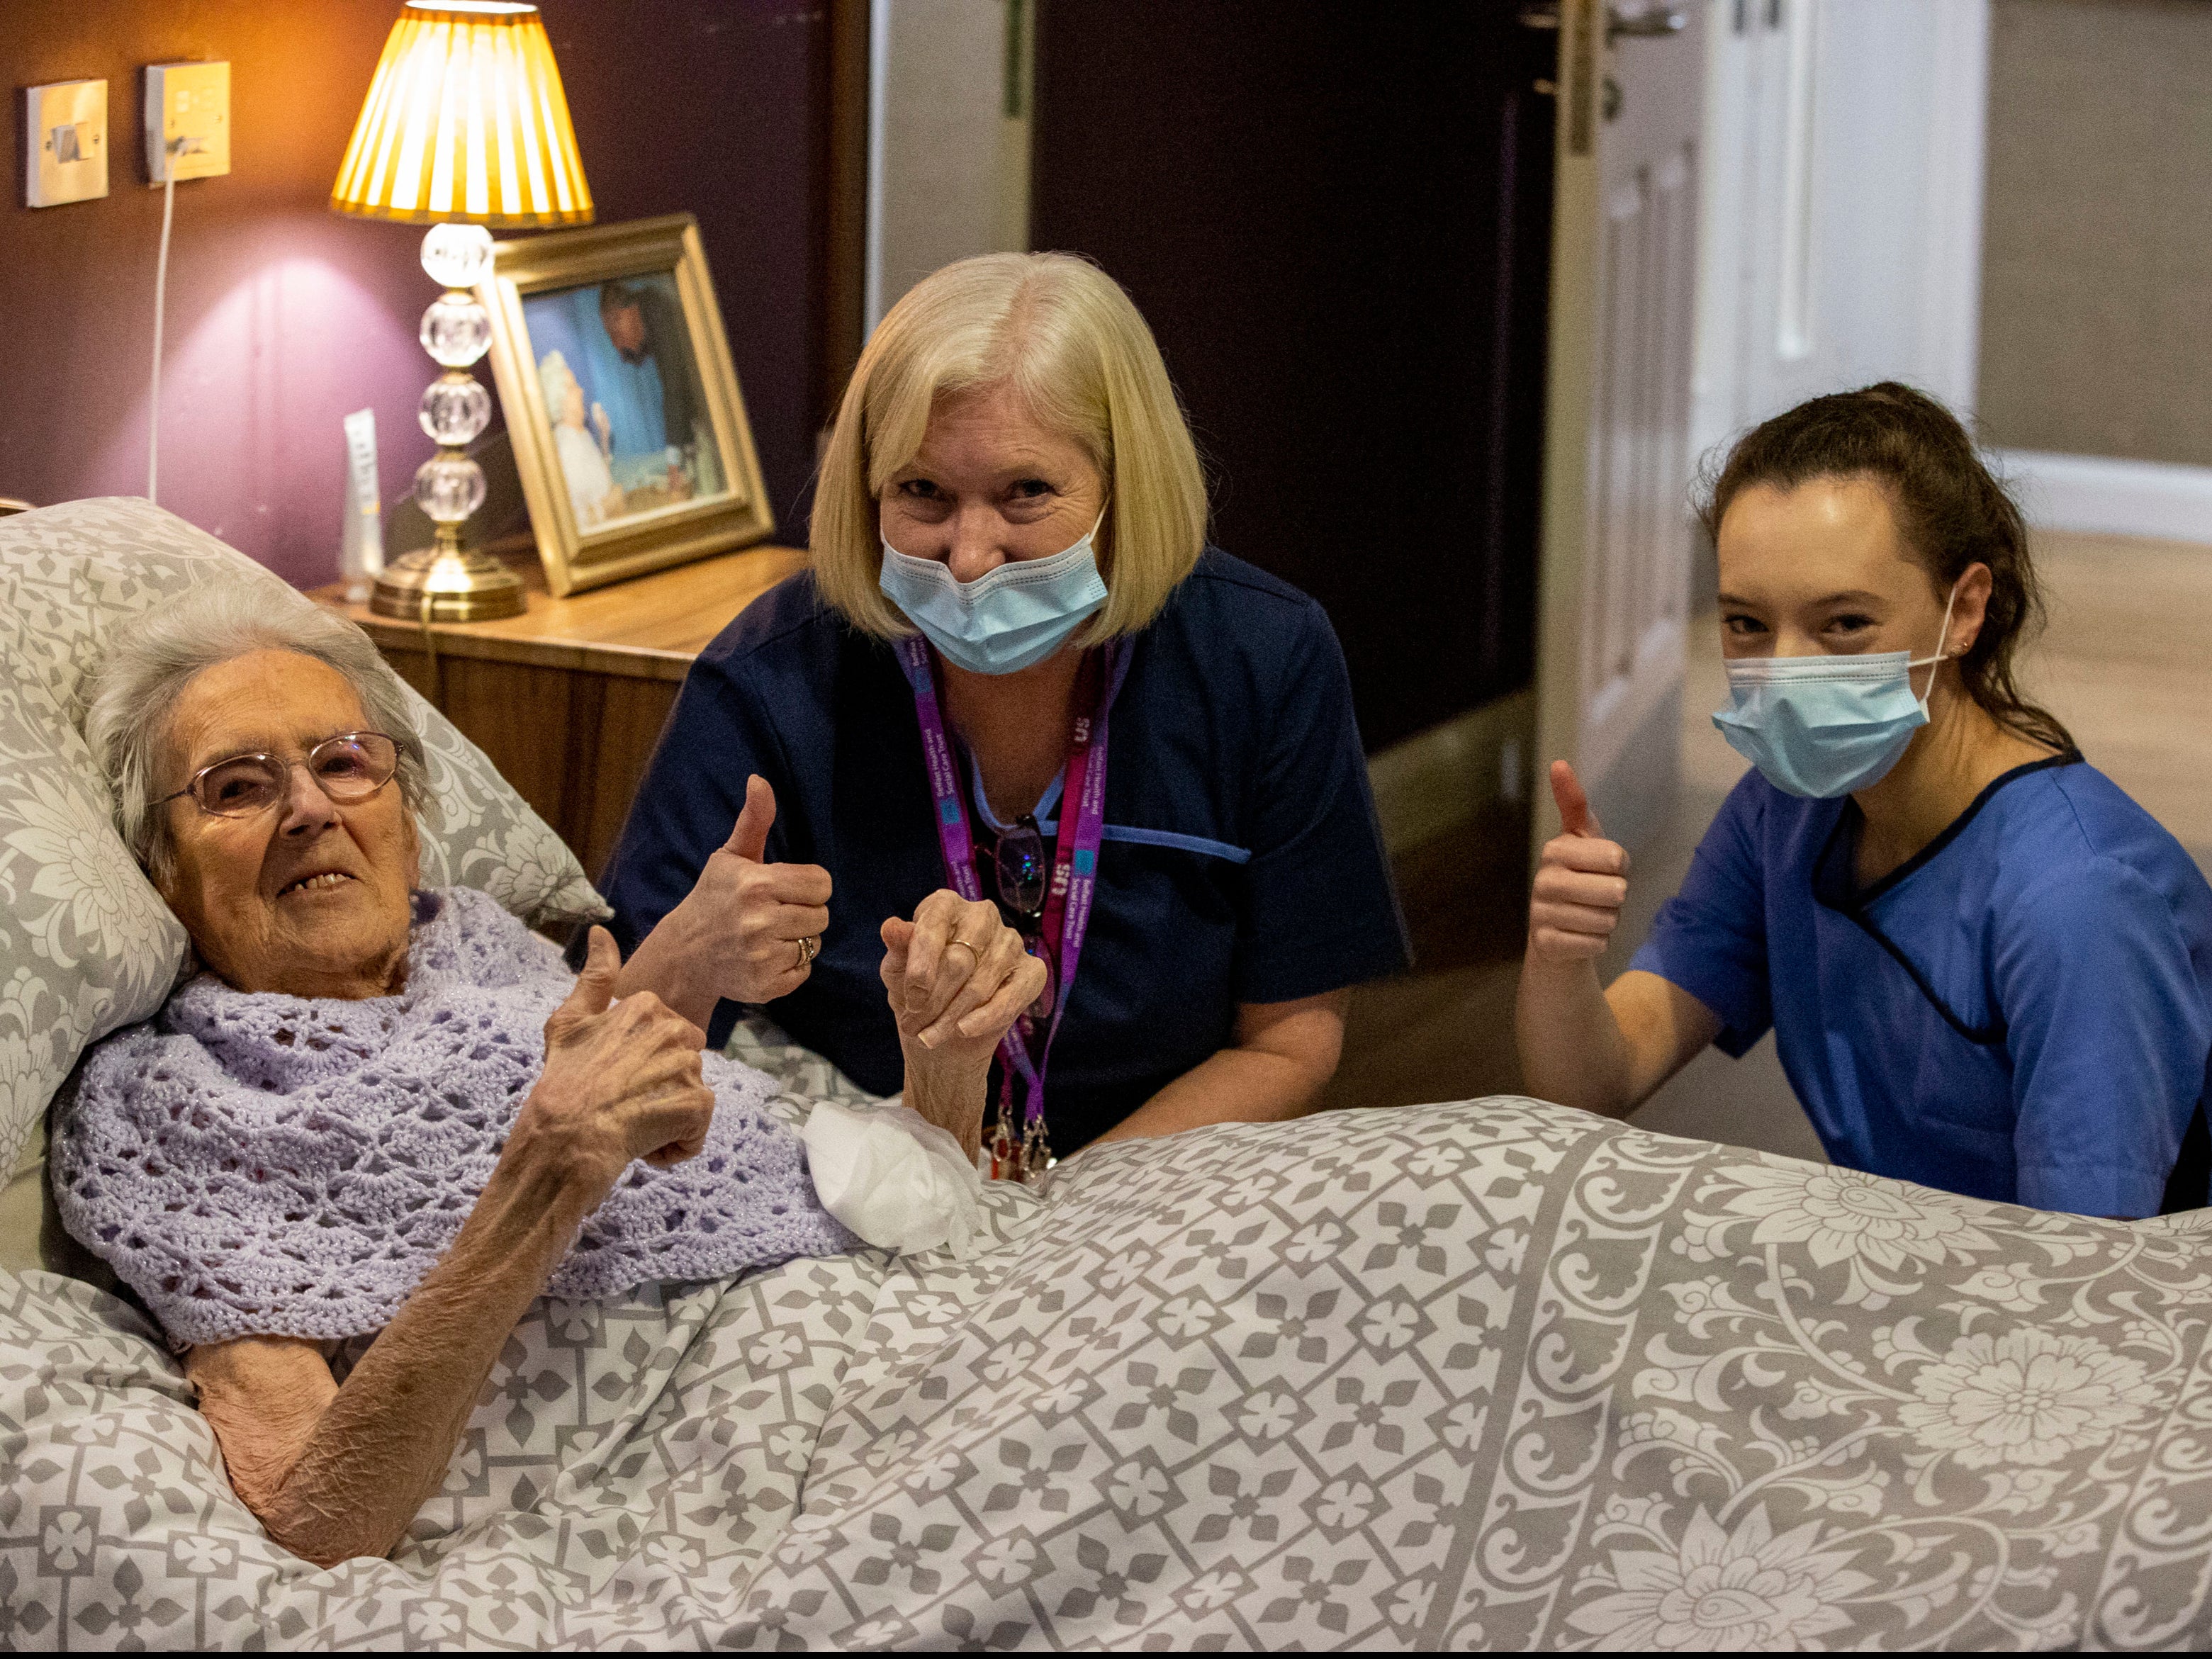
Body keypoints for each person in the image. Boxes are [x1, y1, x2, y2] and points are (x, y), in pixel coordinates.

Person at [52, 583, 1044, 1567]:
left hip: (942, 1329)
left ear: (408, 815)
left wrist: (945, 1058)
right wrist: (547, 1172)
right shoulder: (169, 1112)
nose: (309, 807)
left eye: (344, 762)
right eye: (237, 786)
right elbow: (316, 1519)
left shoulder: (489, 952)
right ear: (162, 867)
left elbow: (831, 1211)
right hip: (812, 1475)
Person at [595, 251, 1409, 1178]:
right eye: (921, 492)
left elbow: (1290, 1045)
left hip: (1168, 1179)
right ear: (866, 490)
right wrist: (692, 955)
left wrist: (1055, 1227)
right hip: (859, 1172)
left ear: (1123, 486)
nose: (971, 556)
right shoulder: (767, 680)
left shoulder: (1266, 659)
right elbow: (612, 1052)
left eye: (1026, 492)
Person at [1517, 383, 2212, 1219]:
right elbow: (1599, 1080)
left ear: (1966, 611)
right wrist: (1561, 956)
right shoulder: (1782, 813)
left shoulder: (2078, 896)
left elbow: (2083, 1268)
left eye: (1843, 623)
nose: (1785, 671)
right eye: (1745, 622)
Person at [538, 349, 627, 527]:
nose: (580, 391)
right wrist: (609, 505)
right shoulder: (566, 446)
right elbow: (576, 522)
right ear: (559, 401)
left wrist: (604, 438)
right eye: (572, 387)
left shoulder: (581, 433)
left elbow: (598, 484)